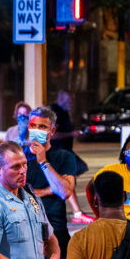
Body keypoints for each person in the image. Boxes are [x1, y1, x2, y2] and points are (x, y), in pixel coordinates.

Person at [24, 106, 76, 259]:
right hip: (24, 234)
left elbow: (64, 191)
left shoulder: (64, 157)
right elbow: (11, 192)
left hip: (55, 233)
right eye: (33, 125)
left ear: (52, 131)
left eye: (43, 127)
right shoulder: (18, 156)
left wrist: (43, 162)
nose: (37, 130)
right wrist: (46, 191)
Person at [50, 90, 95, 224]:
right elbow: (52, 135)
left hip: (66, 151)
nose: (71, 103)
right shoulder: (55, 112)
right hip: (58, 152)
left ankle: (74, 209)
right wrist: (71, 134)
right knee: (68, 179)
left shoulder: (63, 111)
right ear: (60, 99)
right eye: (68, 100)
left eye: (72, 100)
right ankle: (77, 213)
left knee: (76, 172)